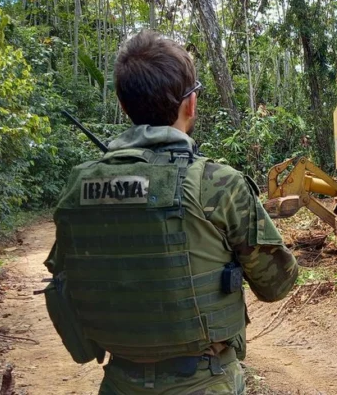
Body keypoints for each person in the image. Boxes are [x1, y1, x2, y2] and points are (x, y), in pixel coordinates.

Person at [44, 30, 298, 395]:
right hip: (205, 381)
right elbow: (276, 284)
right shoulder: (217, 184)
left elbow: (68, 280)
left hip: (119, 382)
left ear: (122, 103)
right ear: (190, 104)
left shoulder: (78, 187)